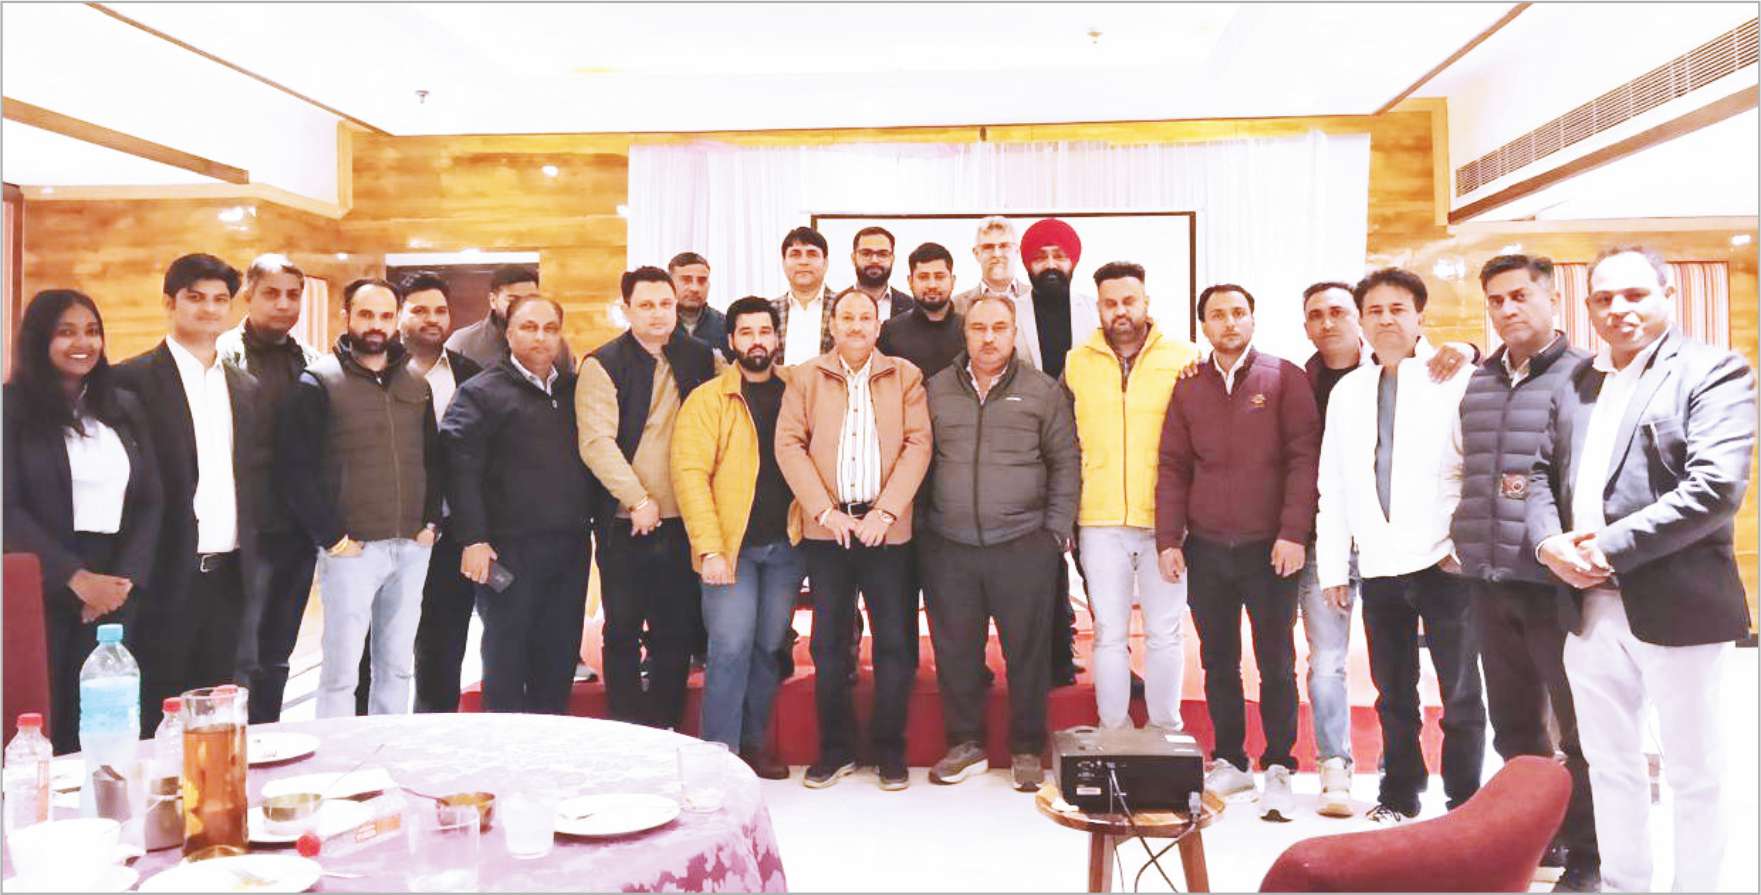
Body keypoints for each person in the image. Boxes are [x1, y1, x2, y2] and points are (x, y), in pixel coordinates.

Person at [1528, 246, 1754, 893]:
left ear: (1666, 294)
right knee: (1608, 763)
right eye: (1603, 298)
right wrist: (1548, 544)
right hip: (1586, 608)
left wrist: (1605, 547)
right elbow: (1537, 475)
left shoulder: (1713, 371)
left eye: (1634, 294)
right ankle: (1625, 883)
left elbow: (1714, 489)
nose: (1618, 309)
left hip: (1678, 603)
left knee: (1692, 770)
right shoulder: (1578, 382)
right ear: (1588, 306)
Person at [1294, 280, 1477, 817]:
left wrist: (1461, 548)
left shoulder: (1456, 377)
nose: (1386, 319)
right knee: (1394, 693)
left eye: (1398, 309)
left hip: (1444, 561)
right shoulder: (1350, 391)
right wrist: (1333, 567)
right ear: (1362, 321)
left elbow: (1478, 470)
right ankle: (1400, 793)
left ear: (1420, 316)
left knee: (1460, 692)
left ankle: (1465, 799)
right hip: (1378, 563)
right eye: (1374, 310)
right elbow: (1333, 484)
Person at [1452, 255, 1599, 890]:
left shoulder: (1587, 376)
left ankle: (1589, 854)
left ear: (1551, 298)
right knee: (1514, 727)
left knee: (1580, 729)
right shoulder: (1479, 379)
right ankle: (1535, 841)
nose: (1507, 309)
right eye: (1495, 299)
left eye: (1519, 296)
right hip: (1489, 579)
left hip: (1557, 585)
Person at [1157, 283, 1320, 821]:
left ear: (1253, 319)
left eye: (1239, 313)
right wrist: (1168, 539)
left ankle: (1280, 764)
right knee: (1218, 659)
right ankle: (1230, 759)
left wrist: (1293, 532)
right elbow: (1173, 466)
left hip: (1269, 549)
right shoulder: (1189, 386)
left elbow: (1303, 460)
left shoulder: (1284, 378)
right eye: (1218, 315)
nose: (1229, 322)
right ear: (1202, 325)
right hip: (1207, 549)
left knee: (1276, 660)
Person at [919, 293, 1079, 791]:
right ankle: (965, 743)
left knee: (1027, 653)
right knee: (956, 652)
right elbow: (917, 458)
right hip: (950, 545)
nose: (988, 338)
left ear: (1013, 333)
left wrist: (1054, 532)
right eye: (979, 328)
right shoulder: (935, 389)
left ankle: (1027, 748)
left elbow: (1066, 461)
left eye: (999, 328)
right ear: (965, 333)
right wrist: (925, 530)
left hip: (1023, 543)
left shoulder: (1042, 391)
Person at [776, 288, 931, 790]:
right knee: (828, 645)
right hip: (830, 533)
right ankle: (835, 750)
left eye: (866, 317)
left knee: (895, 643)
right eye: (847, 317)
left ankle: (889, 751)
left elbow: (918, 445)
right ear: (833, 324)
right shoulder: (805, 377)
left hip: (888, 531)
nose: (857, 326)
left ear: (878, 325)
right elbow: (789, 445)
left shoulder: (905, 376)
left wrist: (885, 512)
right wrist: (824, 511)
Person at [113, 254, 268, 736]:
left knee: (219, 713)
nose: (209, 309)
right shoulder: (130, 380)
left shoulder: (245, 385)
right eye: (195, 298)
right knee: (158, 711)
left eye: (220, 300)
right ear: (170, 303)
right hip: (163, 573)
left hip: (231, 573)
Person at [4, 290, 162, 754]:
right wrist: (75, 579)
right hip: (43, 581)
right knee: (47, 714)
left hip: (117, 584)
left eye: (92, 331)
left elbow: (150, 499)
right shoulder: (11, 409)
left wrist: (123, 581)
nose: (83, 343)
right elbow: (7, 508)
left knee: (109, 719)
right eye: (67, 332)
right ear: (40, 339)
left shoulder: (123, 406)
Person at [278, 278, 442, 717]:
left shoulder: (416, 383)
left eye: (385, 316)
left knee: (398, 667)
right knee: (341, 672)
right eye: (366, 314)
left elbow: (433, 457)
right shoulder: (319, 381)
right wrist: (332, 538)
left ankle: (388, 745)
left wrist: (431, 522)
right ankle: (335, 752)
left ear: (396, 321)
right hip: (352, 550)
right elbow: (296, 469)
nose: (375, 325)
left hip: (411, 547)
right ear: (346, 316)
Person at [1065, 261, 1199, 739]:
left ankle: (1165, 728)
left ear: (1146, 303)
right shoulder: (1077, 363)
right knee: (1108, 632)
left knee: (1164, 631)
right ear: (1098, 307)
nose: (1120, 311)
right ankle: (1113, 729)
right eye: (1110, 303)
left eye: (1128, 301)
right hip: (1099, 520)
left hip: (1166, 522)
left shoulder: (1185, 358)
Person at [578, 266, 716, 729]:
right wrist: (637, 500)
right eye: (647, 305)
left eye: (666, 304)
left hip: (684, 520)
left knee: (675, 632)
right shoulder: (602, 364)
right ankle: (626, 727)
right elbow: (596, 443)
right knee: (622, 630)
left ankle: (665, 726)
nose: (658, 314)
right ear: (627, 309)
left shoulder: (700, 357)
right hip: (625, 521)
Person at [672, 296, 803, 779]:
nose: (756, 341)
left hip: (787, 546)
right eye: (746, 332)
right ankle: (719, 756)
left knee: (769, 648)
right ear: (730, 341)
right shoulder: (709, 399)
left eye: (764, 331)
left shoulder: (797, 391)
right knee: (729, 648)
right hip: (730, 550)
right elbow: (690, 475)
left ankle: (754, 743)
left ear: (776, 338)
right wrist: (709, 548)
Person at [442, 295, 593, 713]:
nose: (540, 337)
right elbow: (459, 468)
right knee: (507, 655)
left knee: (559, 655)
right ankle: (505, 746)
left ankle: (549, 740)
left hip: (569, 547)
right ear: (508, 333)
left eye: (550, 328)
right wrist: (473, 538)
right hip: (507, 551)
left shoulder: (574, 391)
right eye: (529, 327)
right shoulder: (480, 393)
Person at [213, 254, 322, 723]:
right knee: (241, 654)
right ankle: (234, 747)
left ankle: (269, 736)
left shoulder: (313, 362)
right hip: (242, 530)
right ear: (248, 295)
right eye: (272, 293)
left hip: (296, 530)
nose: (283, 304)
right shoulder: (219, 357)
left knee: (278, 653)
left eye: (292, 295)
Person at [397, 273, 487, 713]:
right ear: (399, 314)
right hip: (389, 531)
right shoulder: (374, 371)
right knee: (377, 648)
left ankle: (433, 729)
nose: (431, 319)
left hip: (450, 532)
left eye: (439, 310)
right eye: (419, 310)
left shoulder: (470, 375)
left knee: (443, 647)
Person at [1017, 218, 1100, 687]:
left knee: (1096, 561)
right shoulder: (1010, 313)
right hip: (1031, 453)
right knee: (1042, 560)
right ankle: (1052, 656)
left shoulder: (1096, 311)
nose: (1050, 265)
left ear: (1073, 261)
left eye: (1059, 256)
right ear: (1027, 265)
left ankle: (1115, 659)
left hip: (1091, 449)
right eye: (1040, 257)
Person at [444, 264, 573, 370]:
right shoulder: (463, 343)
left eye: (529, 299)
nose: (523, 306)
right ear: (493, 300)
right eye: (513, 299)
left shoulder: (556, 344)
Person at [877, 242, 966, 379]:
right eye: (923, 277)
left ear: (952, 281)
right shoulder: (890, 332)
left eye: (939, 277)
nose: (932, 285)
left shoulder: (969, 330)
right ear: (910, 281)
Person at [771, 227, 839, 365]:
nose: (803, 262)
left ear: (825, 263)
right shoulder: (769, 311)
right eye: (795, 254)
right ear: (783, 263)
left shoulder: (843, 307)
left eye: (812, 254)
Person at [951, 215, 1029, 318]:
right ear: (976, 253)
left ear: (1017, 251)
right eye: (988, 247)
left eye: (1004, 246)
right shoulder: (956, 306)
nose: (996, 254)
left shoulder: (1035, 298)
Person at [847, 226, 917, 323]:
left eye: (882, 254)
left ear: (892, 259)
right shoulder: (834, 304)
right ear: (853, 258)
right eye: (866, 253)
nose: (874, 260)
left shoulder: (912, 308)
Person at [670, 252, 729, 362]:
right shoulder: (657, 325)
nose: (695, 288)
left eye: (702, 280)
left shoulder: (726, 327)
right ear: (670, 283)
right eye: (686, 280)